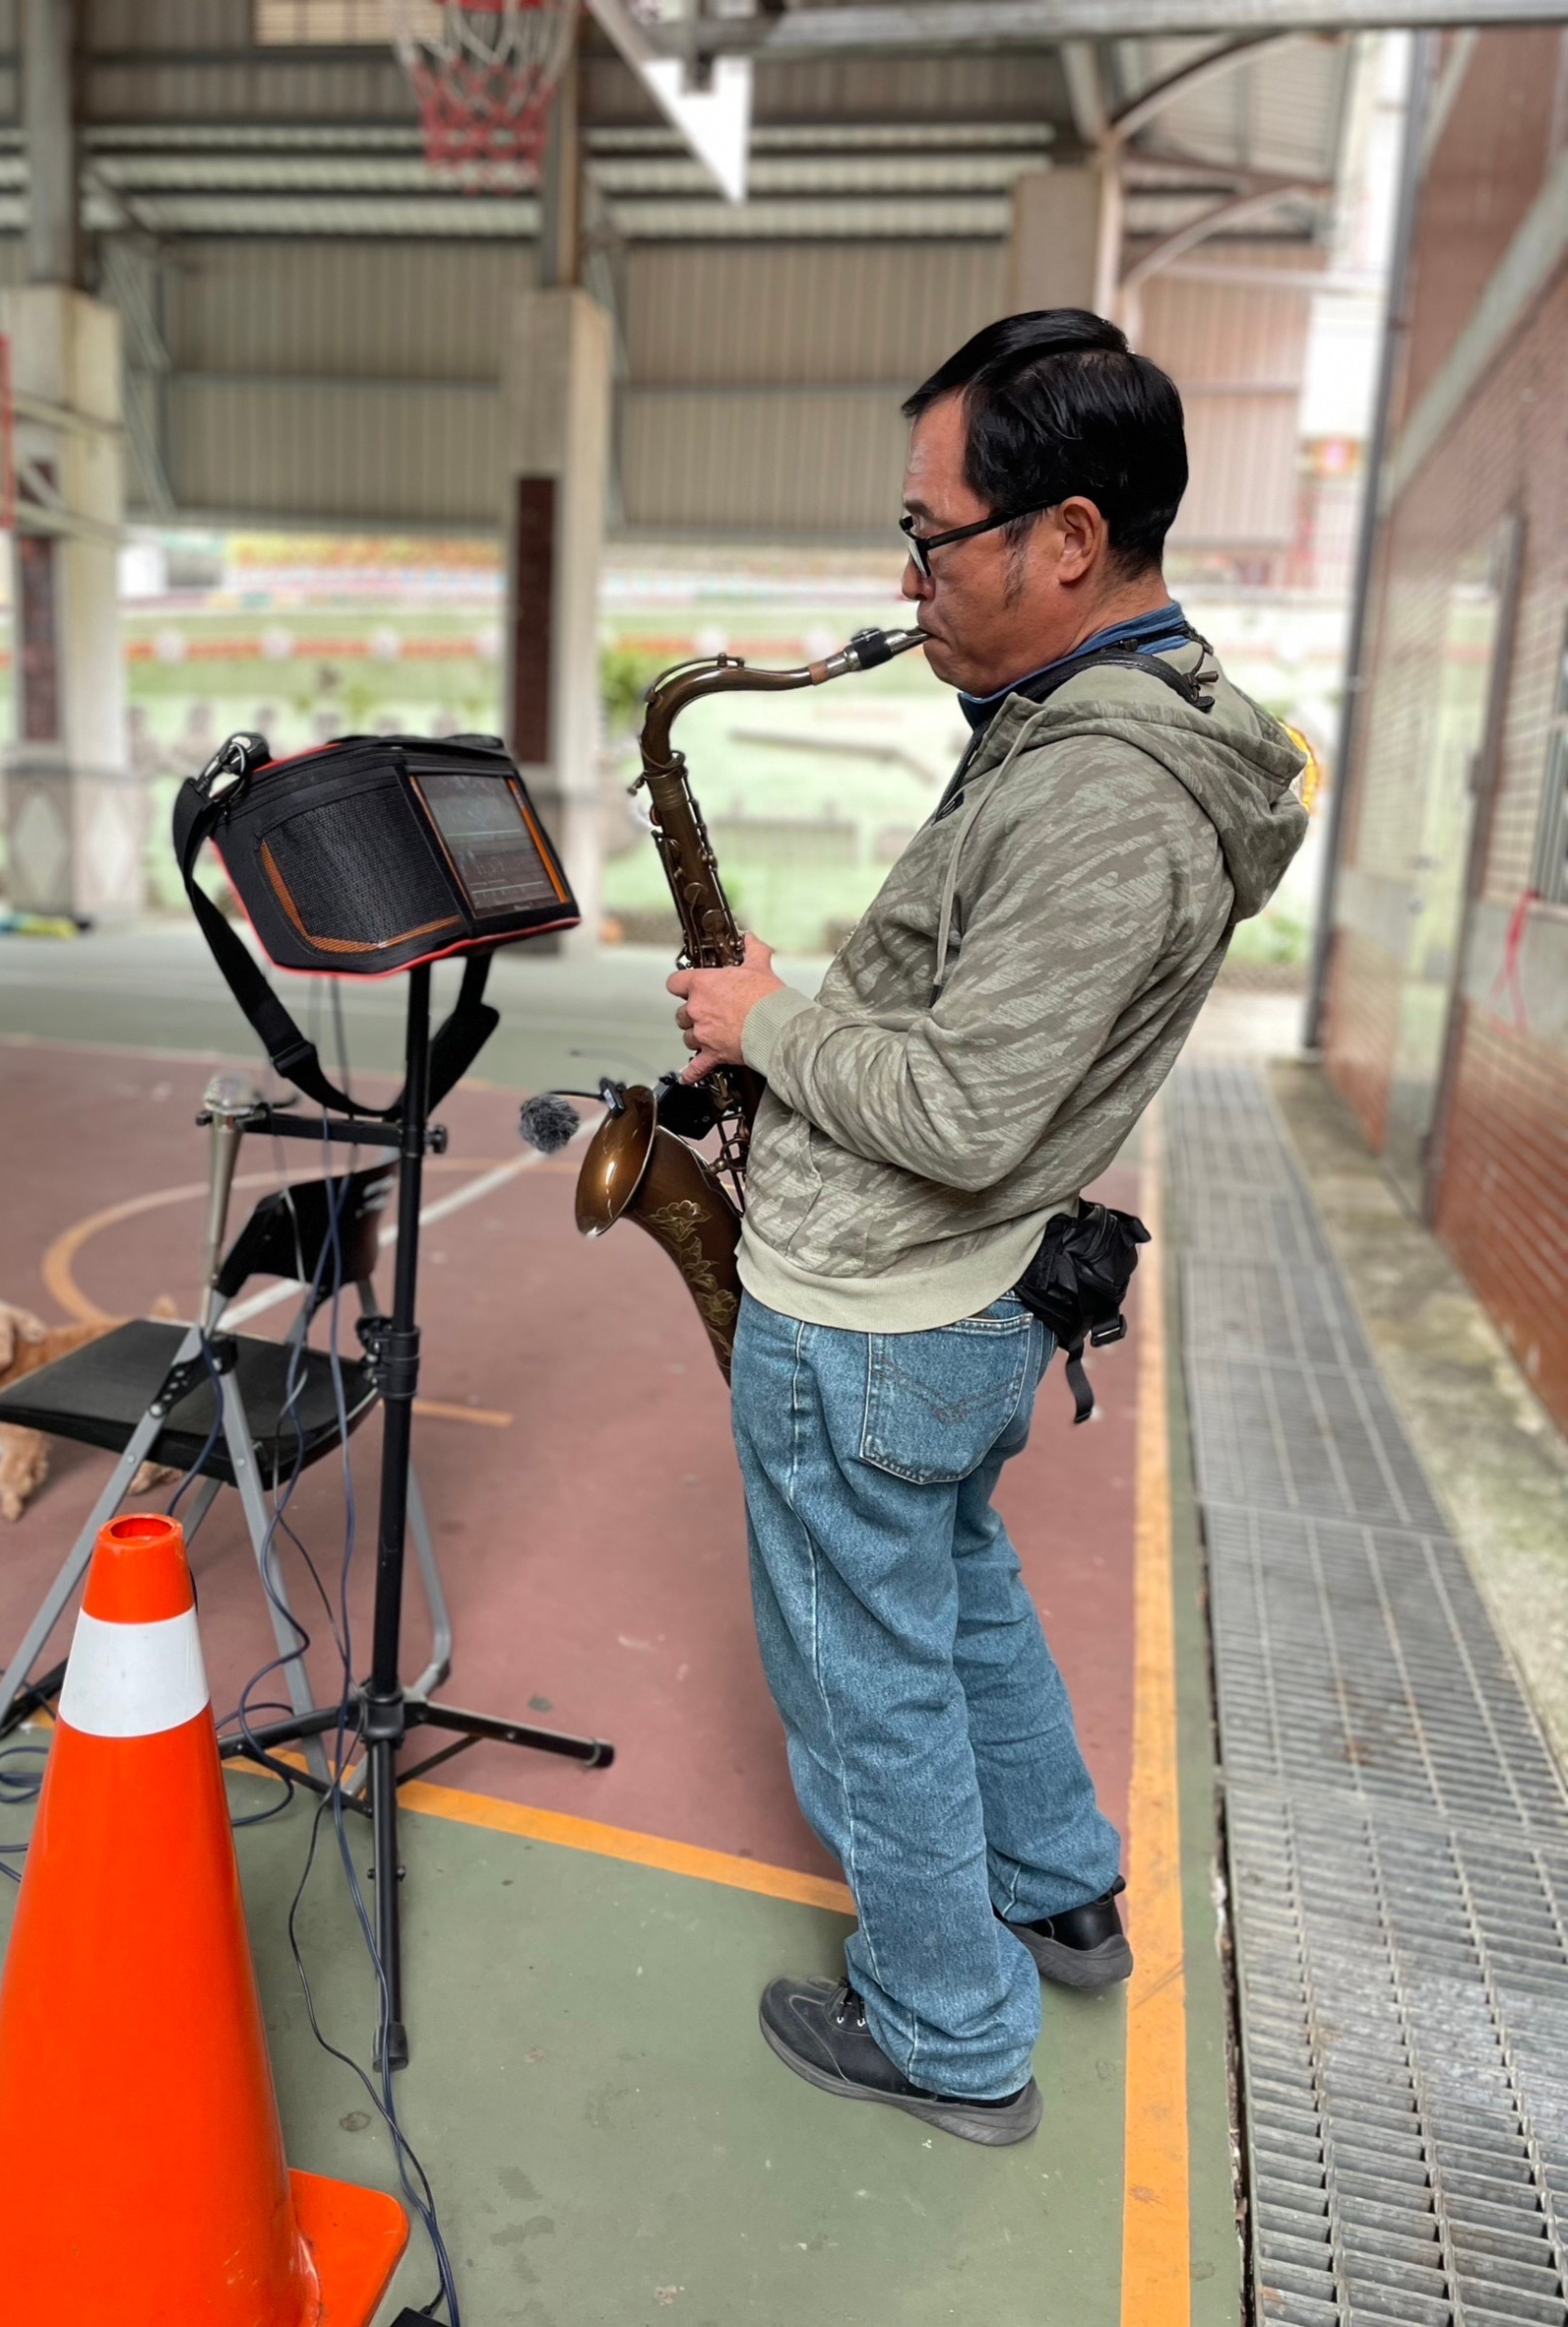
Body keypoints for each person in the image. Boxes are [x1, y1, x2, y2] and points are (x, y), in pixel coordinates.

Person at [668, 308, 1307, 2146]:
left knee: (862, 1679)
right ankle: (1059, 1886)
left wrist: (765, 1027)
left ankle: (950, 2031)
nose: (910, 576)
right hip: (963, 1305)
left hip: (881, 1305)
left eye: (934, 534)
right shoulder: (1118, 721)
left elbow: (962, 1110)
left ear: (1069, 541)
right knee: (953, 1589)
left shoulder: (1102, 784)